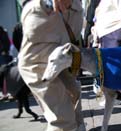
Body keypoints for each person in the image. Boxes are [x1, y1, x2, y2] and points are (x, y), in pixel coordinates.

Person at [18, 0, 85, 131]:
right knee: (62, 119)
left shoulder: (76, 10)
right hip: (47, 11)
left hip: (70, 14)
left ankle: (76, 126)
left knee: (73, 92)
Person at [91, 0, 121, 106]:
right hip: (105, 35)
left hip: (116, 31)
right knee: (110, 68)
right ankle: (115, 96)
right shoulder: (100, 3)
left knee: (119, 67)